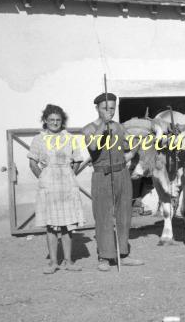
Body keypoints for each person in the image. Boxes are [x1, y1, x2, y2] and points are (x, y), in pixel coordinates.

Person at [82, 93, 144, 271]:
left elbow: (129, 147)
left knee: (124, 215)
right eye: (105, 108)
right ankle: (105, 256)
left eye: (112, 108)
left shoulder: (119, 127)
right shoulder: (89, 129)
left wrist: (132, 152)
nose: (110, 112)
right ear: (97, 108)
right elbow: (93, 147)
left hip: (122, 173)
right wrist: (103, 125)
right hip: (102, 175)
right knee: (103, 217)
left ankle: (123, 254)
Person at [28, 104, 85, 274]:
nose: (55, 123)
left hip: (67, 184)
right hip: (48, 186)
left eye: (58, 120)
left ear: (62, 121)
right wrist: (44, 177)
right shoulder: (39, 139)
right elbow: (32, 163)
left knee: (68, 225)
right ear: (45, 120)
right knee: (51, 225)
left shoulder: (70, 138)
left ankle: (68, 261)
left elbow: (77, 160)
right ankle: (53, 262)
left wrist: (69, 175)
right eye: (51, 120)